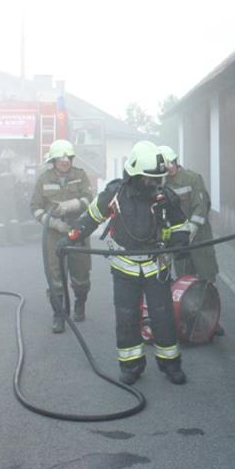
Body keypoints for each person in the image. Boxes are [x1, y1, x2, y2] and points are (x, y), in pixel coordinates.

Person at [65, 140, 192, 385]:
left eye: (158, 178)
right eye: (150, 178)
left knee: (163, 317)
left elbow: (179, 224)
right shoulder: (115, 194)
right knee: (126, 317)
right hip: (124, 268)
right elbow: (90, 218)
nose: (156, 183)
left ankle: (170, 364)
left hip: (157, 267)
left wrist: (181, 242)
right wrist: (70, 237)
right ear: (134, 174)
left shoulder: (165, 196)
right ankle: (131, 365)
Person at [158, 145, 224, 336]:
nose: (170, 167)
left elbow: (201, 206)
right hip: (178, 242)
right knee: (184, 281)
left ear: (176, 161)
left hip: (200, 238)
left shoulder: (192, 179)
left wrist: (192, 228)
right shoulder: (160, 184)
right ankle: (188, 320)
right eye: (166, 165)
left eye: (172, 162)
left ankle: (212, 322)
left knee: (206, 278)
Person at [29, 139, 93, 333]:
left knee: (81, 275)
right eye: (61, 158)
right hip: (54, 234)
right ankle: (59, 314)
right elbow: (35, 207)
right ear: (53, 160)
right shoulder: (44, 179)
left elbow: (89, 198)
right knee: (54, 276)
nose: (65, 161)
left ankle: (80, 302)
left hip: (78, 231)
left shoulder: (80, 176)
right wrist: (54, 223)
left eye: (68, 158)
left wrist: (69, 205)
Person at [0, 149, 22, 245]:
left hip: (6, 199)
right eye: (9, 160)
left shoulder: (6, 169)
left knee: (11, 220)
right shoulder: (0, 169)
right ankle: (5, 241)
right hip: (3, 199)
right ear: (6, 160)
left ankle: (13, 240)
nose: (10, 162)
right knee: (3, 221)